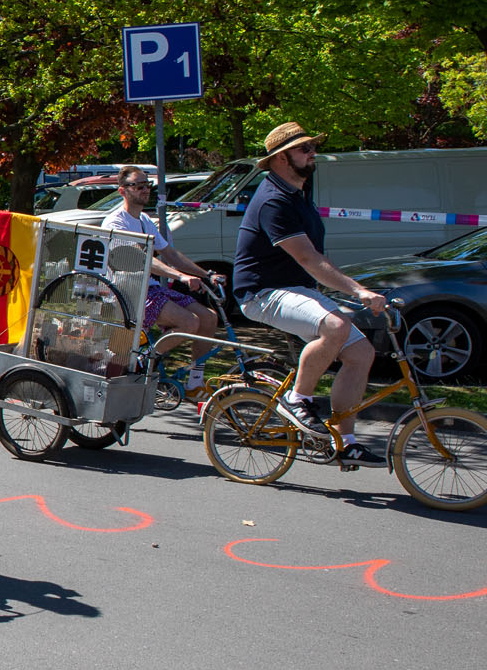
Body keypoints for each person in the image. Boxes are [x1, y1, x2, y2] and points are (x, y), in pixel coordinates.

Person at [233, 122, 387, 465]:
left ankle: (345, 442)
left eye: (311, 147)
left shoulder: (298, 194)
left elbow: (317, 259)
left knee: (361, 353)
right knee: (335, 327)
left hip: (296, 289)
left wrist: (346, 286)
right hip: (261, 293)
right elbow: (309, 259)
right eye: (304, 149)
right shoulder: (274, 200)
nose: (312, 153)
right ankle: (297, 398)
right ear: (280, 159)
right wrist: (359, 290)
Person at [102, 165, 224, 398]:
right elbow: (141, 259)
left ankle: (194, 383)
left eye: (147, 185)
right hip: (130, 293)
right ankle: (141, 361)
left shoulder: (145, 220)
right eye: (137, 185)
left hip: (152, 289)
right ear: (122, 191)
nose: (144, 190)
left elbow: (171, 254)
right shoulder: (115, 223)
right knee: (189, 323)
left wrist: (205, 275)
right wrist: (179, 276)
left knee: (208, 318)